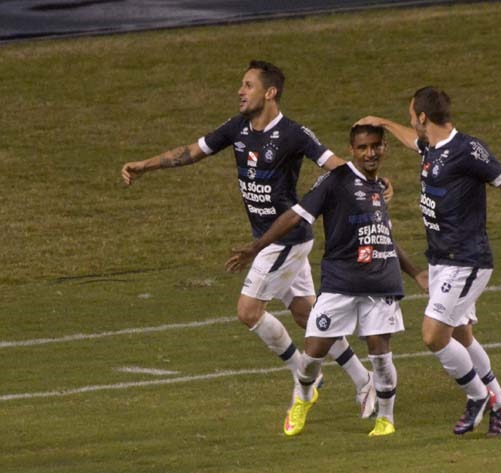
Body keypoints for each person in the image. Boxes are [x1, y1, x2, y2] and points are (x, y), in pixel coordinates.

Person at [121, 60, 381, 418]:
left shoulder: (293, 134)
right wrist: (145, 165)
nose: (240, 91)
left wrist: (372, 183)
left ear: (269, 93)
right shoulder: (237, 128)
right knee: (308, 316)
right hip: (269, 238)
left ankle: (303, 372)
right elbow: (191, 152)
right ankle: (364, 381)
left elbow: (335, 165)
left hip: (286, 239)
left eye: (248, 85)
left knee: (248, 311)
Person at [356, 86, 501, 437]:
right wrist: (382, 122)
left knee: (433, 335)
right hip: (442, 259)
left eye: (411, 115)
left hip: (466, 260)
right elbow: (411, 140)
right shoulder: (430, 147)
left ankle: (478, 397)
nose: (410, 122)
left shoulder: (468, 150)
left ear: (423, 117)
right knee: (461, 335)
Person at [227, 124, 428, 437]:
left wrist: (415, 272)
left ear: (384, 148)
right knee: (312, 355)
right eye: (363, 147)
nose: (370, 153)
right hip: (340, 284)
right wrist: (257, 247)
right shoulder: (336, 181)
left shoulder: (378, 188)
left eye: (375, 146)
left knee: (381, 354)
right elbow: (295, 215)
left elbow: (383, 237)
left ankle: (385, 420)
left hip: (380, 282)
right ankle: (304, 395)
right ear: (352, 150)